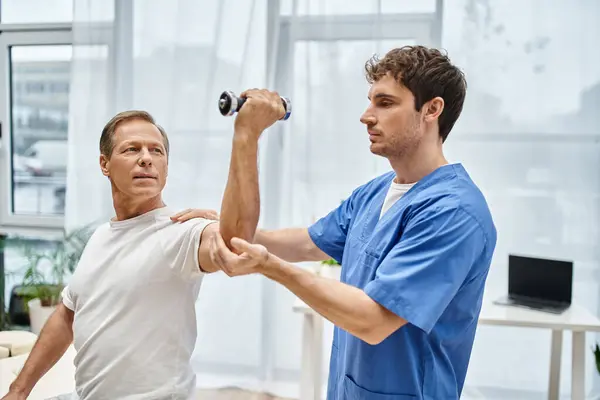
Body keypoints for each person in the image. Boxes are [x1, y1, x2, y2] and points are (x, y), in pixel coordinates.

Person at [190, 45, 498, 399]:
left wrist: (268, 266)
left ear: (432, 109)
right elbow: (306, 243)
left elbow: (373, 320)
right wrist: (238, 226)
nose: (366, 116)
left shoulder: (454, 213)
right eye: (370, 101)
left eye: (385, 103)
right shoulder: (375, 193)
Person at [2, 110, 225, 400]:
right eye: (132, 149)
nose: (146, 157)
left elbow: (232, 242)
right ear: (104, 164)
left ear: (165, 167)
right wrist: (18, 391)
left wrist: (223, 225)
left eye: (156, 151)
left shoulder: (181, 232)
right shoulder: (101, 237)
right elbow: (67, 315)